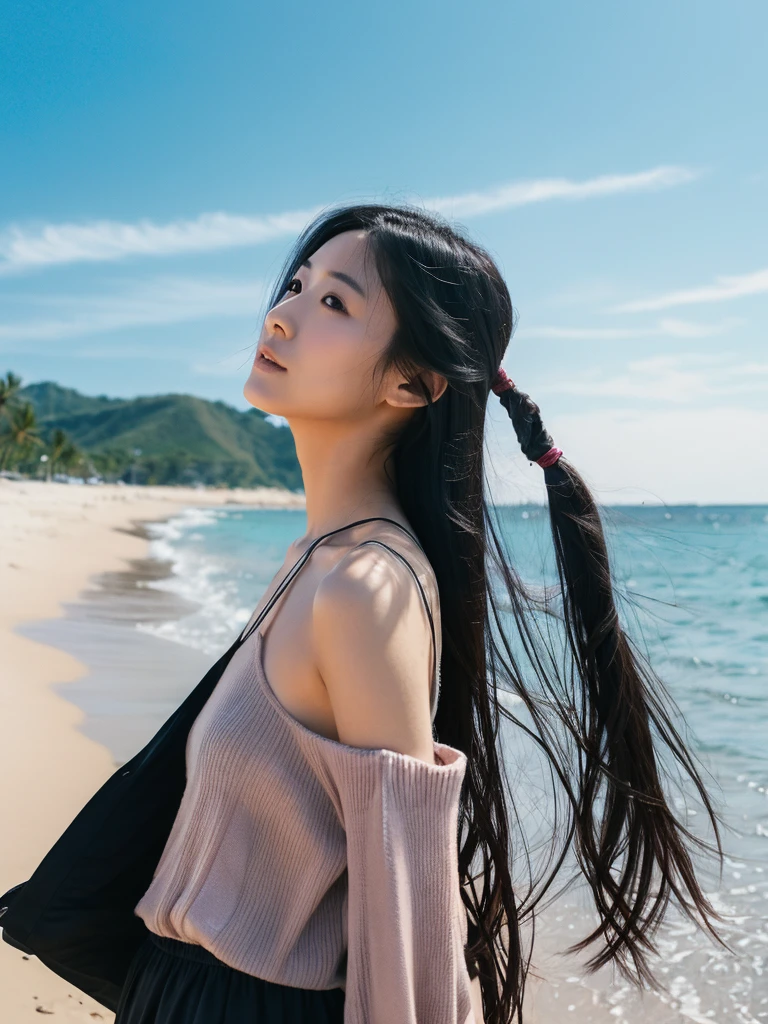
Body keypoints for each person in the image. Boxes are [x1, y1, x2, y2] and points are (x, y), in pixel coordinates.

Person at [115, 203, 724, 1024]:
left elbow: (407, 911)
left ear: (413, 382)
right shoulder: (316, 561)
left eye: (334, 302)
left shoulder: (365, 588)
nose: (283, 315)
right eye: (295, 285)